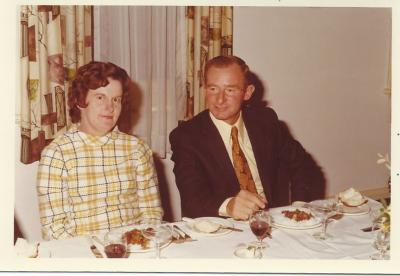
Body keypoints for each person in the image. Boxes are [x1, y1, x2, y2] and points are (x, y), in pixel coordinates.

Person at [169, 55, 324, 220]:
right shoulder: (187, 136)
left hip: (274, 222)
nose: (220, 99)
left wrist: (298, 208)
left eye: (230, 90)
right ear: (204, 90)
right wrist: (228, 206)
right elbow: (192, 199)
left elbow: (305, 166)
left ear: (247, 93)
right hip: (224, 230)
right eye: (213, 89)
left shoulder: (265, 121)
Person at [37, 61, 163, 240]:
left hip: (134, 250)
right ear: (81, 101)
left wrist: (137, 245)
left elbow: (152, 214)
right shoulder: (57, 155)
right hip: (84, 256)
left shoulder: (137, 149)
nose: (110, 107)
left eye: (116, 99)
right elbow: (54, 230)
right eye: (100, 97)